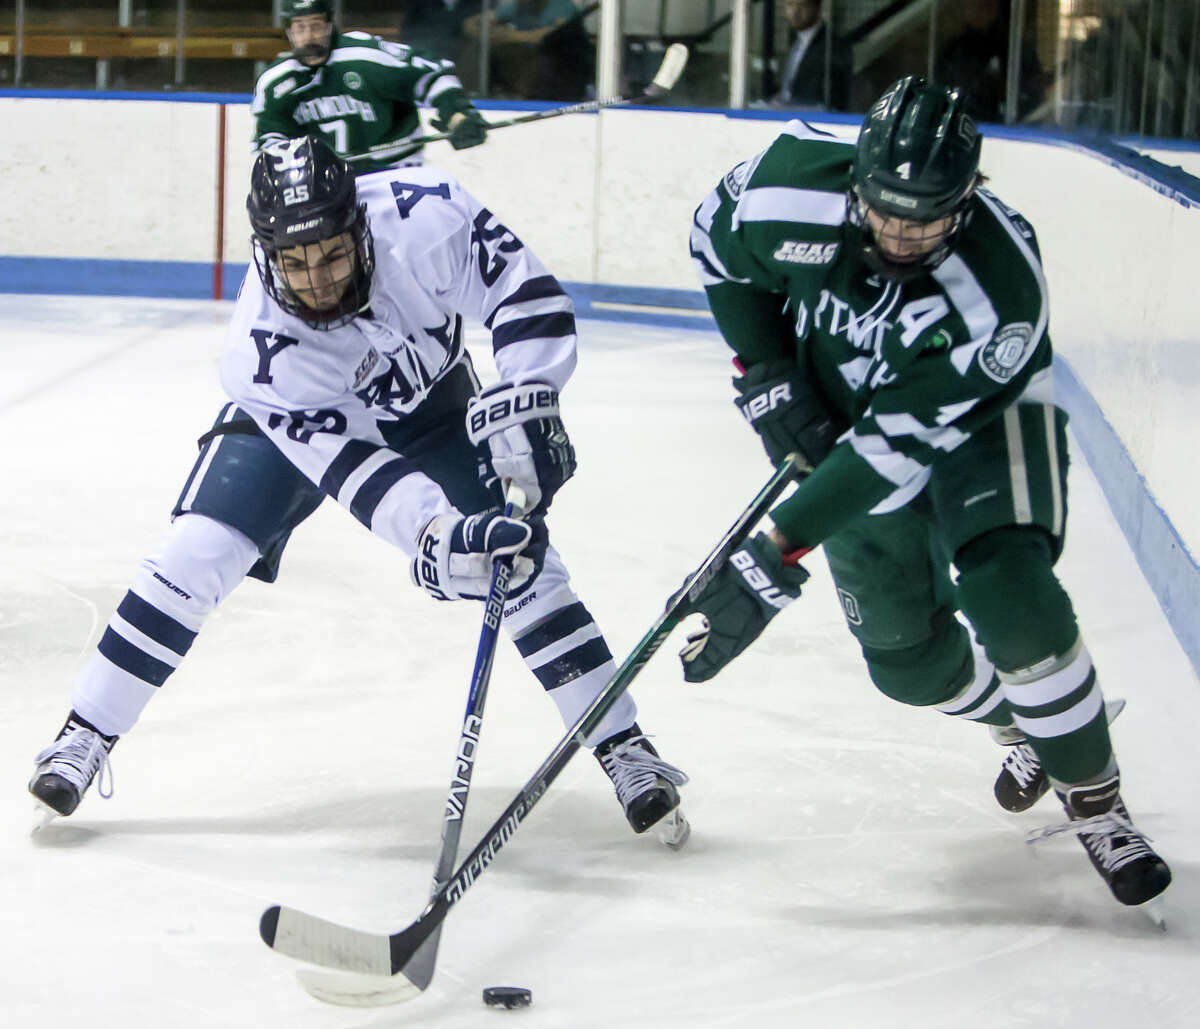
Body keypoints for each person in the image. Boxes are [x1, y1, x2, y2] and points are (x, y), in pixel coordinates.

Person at [28, 136, 689, 849]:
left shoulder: (426, 216)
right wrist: (434, 535)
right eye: (294, 263)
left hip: (432, 405)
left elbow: (523, 294)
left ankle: (623, 744)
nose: (316, 282)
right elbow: (356, 472)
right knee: (196, 551)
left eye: (333, 256)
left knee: (525, 563)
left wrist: (529, 394)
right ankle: (86, 731)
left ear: (360, 228)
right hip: (294, 422)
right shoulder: (262, 351)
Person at [684, 76, 1170, 912]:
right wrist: (765, 370)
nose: (901, 235)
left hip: (981, 424)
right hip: (849, 417)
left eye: (928, 218)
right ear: (857, 179)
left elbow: (893, 447)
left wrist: (775, 550)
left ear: (967, 201)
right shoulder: (786, 190)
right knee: (906, 665)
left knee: (1009, 593)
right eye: (884, 211)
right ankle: (1026, 719)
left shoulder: (1000, 295)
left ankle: (1096, 800)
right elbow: (715, 247)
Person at [252, 0, 488, 174]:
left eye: (316, 25)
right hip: (327, 185)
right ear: (288, 32)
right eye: (300, 28)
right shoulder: (275, 82)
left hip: (395, 172)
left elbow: (432, 74)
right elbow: (270, 140)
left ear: (329, 25)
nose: (309, 36)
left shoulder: (367, 56)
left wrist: (457, 114)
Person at [936, 0, 1045, 123]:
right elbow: (942, 93)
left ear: (996, 9)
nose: (981, 11)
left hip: (1004, 128)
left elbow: (1033, 97)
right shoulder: (953, 51)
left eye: (987, 5)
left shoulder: (1016, 50)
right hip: (961, 121)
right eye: (974, 5)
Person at [462, 0, 589, 100]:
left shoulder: (561, 5)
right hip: (526, 60)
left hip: (561, 66)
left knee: (533, 56)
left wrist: (510, 36)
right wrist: (485, 32)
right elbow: (473, 22)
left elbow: (556, 33)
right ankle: (471, 94)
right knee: (481, 48)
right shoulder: (518, 6)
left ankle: (528, 96)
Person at [773, 0, 850, 111]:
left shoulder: (832, 46)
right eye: (790, 4)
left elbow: (833, 101)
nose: (795, 12)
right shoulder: (797, 41)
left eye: (802, 5)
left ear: (817, 8)